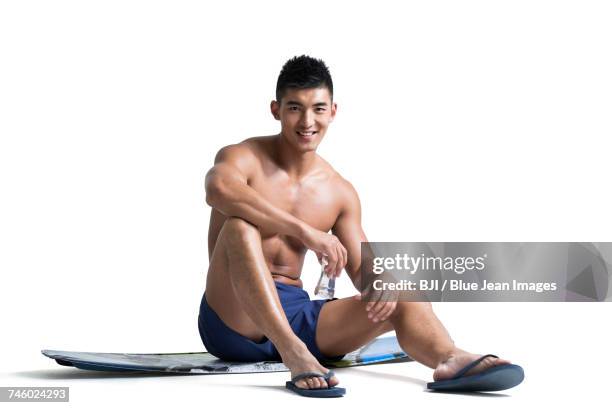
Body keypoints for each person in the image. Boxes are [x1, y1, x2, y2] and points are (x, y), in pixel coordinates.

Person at [198, 55, 523, 397]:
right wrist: (306, 231)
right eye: (295, 108)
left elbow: (365, 272)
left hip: (299, 315)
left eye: (319, 109)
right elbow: (217, 190)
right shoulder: (242, 157)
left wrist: (386, 285)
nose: (307, 121)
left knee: (400, 290)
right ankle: (293, 353)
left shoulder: (338, 191)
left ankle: (451, 359)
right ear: (276, 109)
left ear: (333, 112)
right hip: (233, 318)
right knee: (240, 227)